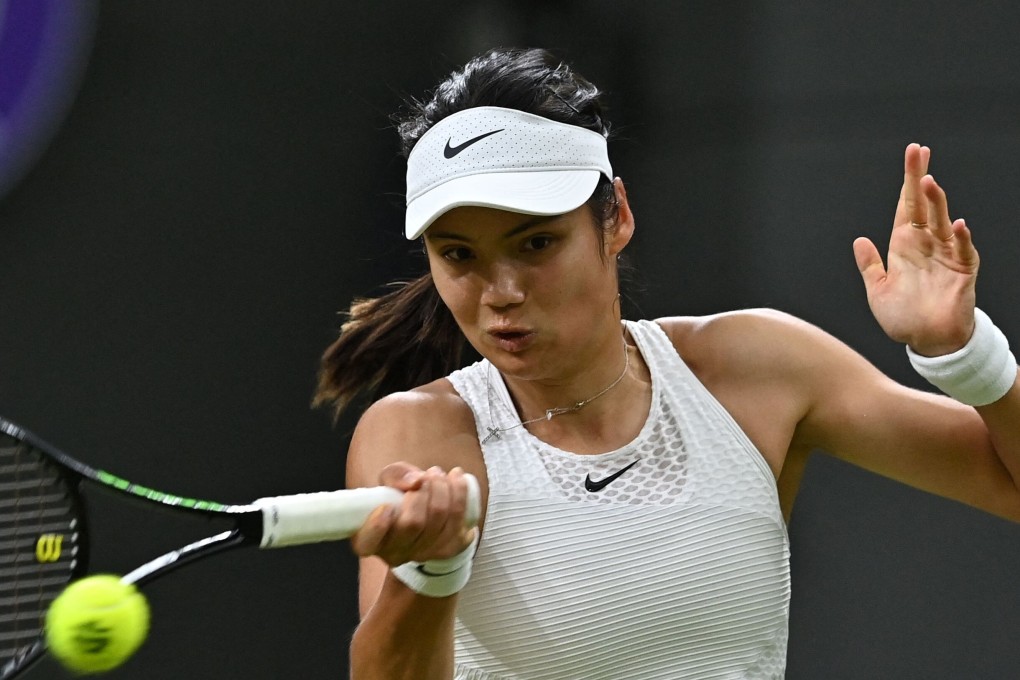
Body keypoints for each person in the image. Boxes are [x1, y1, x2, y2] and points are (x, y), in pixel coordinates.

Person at [312, 47, 1020, 680]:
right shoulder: (417, 436)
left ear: (614, 215)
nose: (501, 294)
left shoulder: (753, 366)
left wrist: (961, 354)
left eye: (535, 245)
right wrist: (428, 576)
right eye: (459, 255)